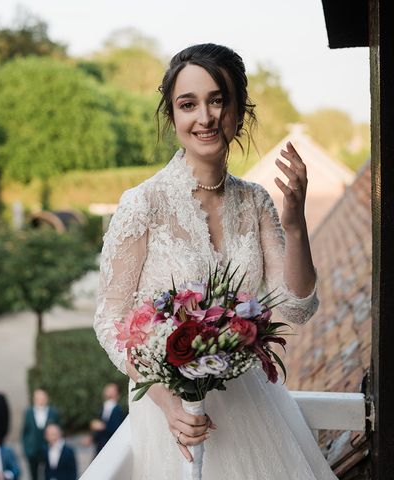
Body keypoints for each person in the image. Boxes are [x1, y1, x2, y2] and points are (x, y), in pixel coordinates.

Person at [93, 43, 338, 479]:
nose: (203, 117)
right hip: (175, 423)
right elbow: (110, 320)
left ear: (239, 112)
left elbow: (295, 307)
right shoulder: (142, 205)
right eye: (188, 104)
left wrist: (296, 224)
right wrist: (171, 406)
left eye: (217, 100)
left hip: (251, 410)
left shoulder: (257, 201)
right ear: (173, 116)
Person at [21, 388, 60, 480]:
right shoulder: (28, 412)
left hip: (49, 448)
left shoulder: (53, 412)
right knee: (33, 475)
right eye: (38, 398)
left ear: (47, 398)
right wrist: (26, 449)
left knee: (50, 473)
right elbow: (25, 432)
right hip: (32, 450)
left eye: (42, 398)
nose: (40, 400)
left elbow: (58, 429)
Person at [89, 383, 125, 454]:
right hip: (100, 446)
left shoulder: (118, 410)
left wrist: (102, 426)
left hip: (111, 447)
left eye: (112, 390)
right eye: (107, 389)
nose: (108, 391)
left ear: (117, 394)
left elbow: (117, 429)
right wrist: (93, 437)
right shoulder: (103, 407)